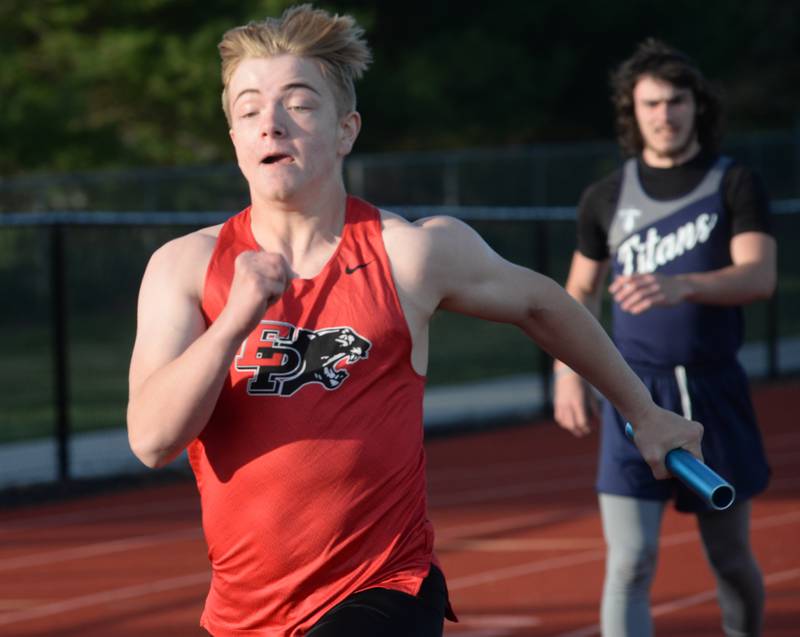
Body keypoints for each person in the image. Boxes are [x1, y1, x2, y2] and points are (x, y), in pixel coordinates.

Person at [127, 8, 703, 636]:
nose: (271, 123)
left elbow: (545, 305)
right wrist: (235, 320)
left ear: (346, 129)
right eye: (248, 109)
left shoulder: (409, 253)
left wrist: (644, 413)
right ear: (234, 137)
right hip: (241, 613)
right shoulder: (183, 267)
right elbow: (153, 440)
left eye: (299, 105)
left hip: (383, 586)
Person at [552, 38, 776, 637]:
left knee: (730, 560)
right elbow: (578, 293)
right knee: (630, 561)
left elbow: (759, 275)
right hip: (634, 394)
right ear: (633, 110)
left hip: (714, 391)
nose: (664, 114)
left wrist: (682, 286)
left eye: (676, 101)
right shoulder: (605, 196)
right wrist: (567, 372)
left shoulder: (734, 184)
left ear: (696, 105)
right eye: (650, 103)